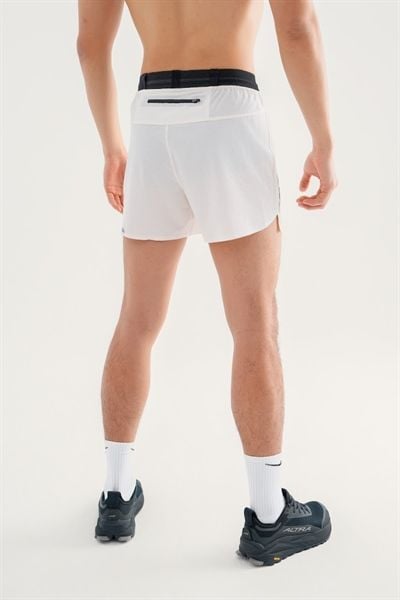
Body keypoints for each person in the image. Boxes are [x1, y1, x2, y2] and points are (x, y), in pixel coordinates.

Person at [77, 0, 338, 565]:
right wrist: (324, 140)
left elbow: (90, 45)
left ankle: (116, 495)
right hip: (227, 112)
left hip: (152, 118)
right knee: (255, 325)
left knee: (136, 320)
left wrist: (113, 147)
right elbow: (297, 27)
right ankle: (268, 517)